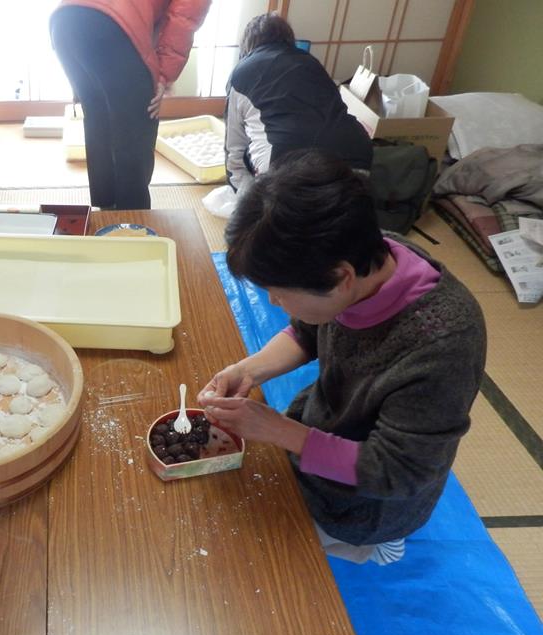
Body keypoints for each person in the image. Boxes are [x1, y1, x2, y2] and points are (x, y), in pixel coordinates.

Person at [198, 149, 486, 565]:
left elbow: (397, 470)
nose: (274, 302)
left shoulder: (442, 345)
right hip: (321, 428)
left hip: (371, 493)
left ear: (341, 279)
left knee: (259, 552)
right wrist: (247, 369)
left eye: (279, 292)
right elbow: (310, 327)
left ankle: (376, 543)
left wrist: (279, 431)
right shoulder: (371, 258)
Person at [50, 0, 211, 209]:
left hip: (65, 22)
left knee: (99, 119)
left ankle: (106, 211)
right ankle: (132, 222)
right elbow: (183, 20)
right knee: (136, 130)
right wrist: (163, 76)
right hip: (112, 26)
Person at [225, 13, 373, 191]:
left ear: (247, 45)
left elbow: (235, 149)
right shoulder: (310, 61)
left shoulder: (240, 73)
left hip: (285, 172)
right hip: (356, 156)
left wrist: (243, 199)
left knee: (250, 149)